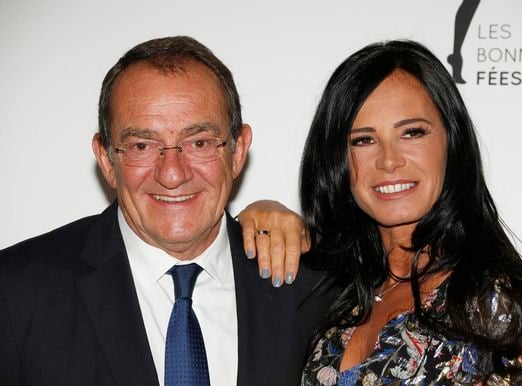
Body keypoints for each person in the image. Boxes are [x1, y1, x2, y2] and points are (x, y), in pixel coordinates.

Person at [240, 40, 522, 384]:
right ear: (337, 160)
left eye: (412, 133)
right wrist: (260, 214)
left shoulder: (490, 304)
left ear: (452, 140)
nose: (389, 160)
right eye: (363, 140)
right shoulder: (333, 292)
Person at [0, 36, 332, 386]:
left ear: (237, 151)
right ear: (106, 159)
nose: (172, 174)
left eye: (199, 142)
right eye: (142, 145)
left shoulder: (314, 288)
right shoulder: (15, 292)